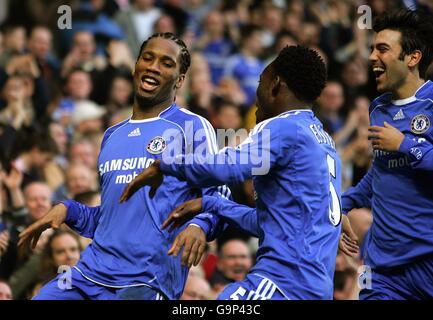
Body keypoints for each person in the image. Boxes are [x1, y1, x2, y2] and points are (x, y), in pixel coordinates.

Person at [18, 32, 235, 300]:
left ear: (179, 80)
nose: (154, 66)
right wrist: (69, 209)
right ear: (136, 66)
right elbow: (112, 220)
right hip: (90, 274)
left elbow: (220, 195)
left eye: (166, 63)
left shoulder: (191, 127)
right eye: (148, 58)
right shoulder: (112, 135)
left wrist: (200, 226)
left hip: (146, 280)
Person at [121, 45, 342, 300]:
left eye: (261, 81)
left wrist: (165, 165)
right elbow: (266, 223)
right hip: (312, 288)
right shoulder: (322, 139)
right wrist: (212, 203)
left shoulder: (284, 127)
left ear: (275, 84)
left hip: (283, 283)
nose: (255, 95)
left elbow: (229, 168)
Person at [340, 9, 433, 300]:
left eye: (382, 49)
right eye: (371, 49)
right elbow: (382, 171)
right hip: (382, 268)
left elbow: (402, 151)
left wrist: (405, 144)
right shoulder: (378, 109)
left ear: (412, 58)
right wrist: (343, 203)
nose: (371, 58)